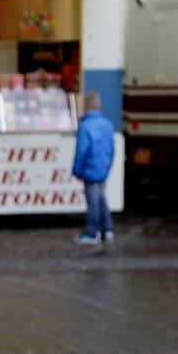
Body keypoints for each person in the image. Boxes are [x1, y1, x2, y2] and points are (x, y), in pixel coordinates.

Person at [72, 91, 115, 245]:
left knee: (93, 203)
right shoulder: (108, 125)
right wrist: (107, 167)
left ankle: (92, 232)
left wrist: (76, 170)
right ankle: (107, 230)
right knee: (102, 199)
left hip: (90, 170)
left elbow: (81, 152)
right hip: (103, 169)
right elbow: (111, 150)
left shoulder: (85, 126)